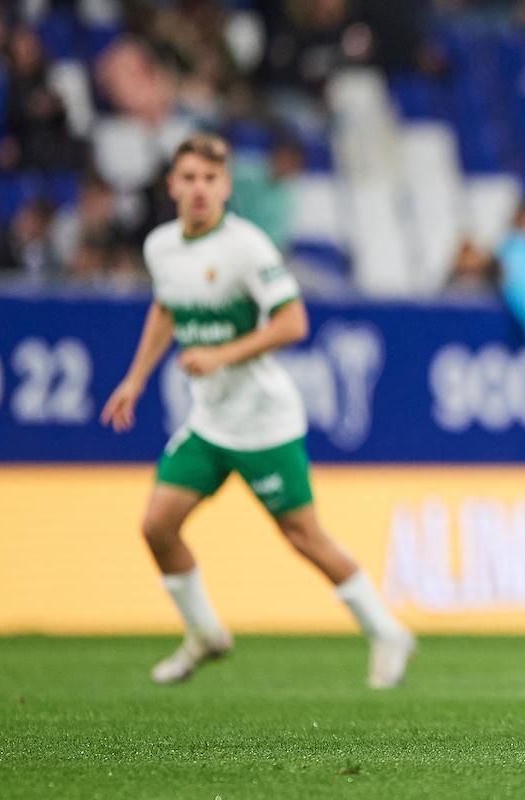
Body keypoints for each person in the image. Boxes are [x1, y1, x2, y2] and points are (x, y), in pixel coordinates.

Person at [101, 133, 414, 688]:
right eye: (189, 178)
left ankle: (387, 630)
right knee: (157, 525)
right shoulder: (162, 248)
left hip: (263, 423)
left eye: (210, 179)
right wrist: (135, 378)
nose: (200, 189)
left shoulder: (247, 248)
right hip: (210, 422)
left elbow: (294, 323)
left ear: (225, 186)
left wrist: (222, 353)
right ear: (172, 185)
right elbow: (165, 308)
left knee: (305, 538)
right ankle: (204, 633)